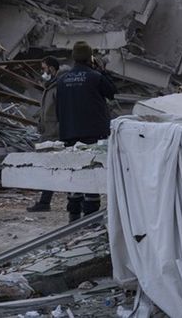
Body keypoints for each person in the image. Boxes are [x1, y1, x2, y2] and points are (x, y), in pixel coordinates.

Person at [56, 42, 117, 221]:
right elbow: (112, 91)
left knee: (75, 174)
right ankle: (90, 216)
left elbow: (59, 108)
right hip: (93, 133)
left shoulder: (62, 80)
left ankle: (73, 215)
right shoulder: (95, 77)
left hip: (69, 134)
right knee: (92, 173)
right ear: (90, 57)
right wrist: (102, 70)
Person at [28, 56, 65, 213]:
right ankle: (45, 201)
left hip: (55, 135)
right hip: (48, 133)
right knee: (50, 168)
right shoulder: (50, 87)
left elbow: (61, 112)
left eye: (44, 69)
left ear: (51, 68)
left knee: (56, 168)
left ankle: (46, 201)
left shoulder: (57, 88)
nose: (42, 72)